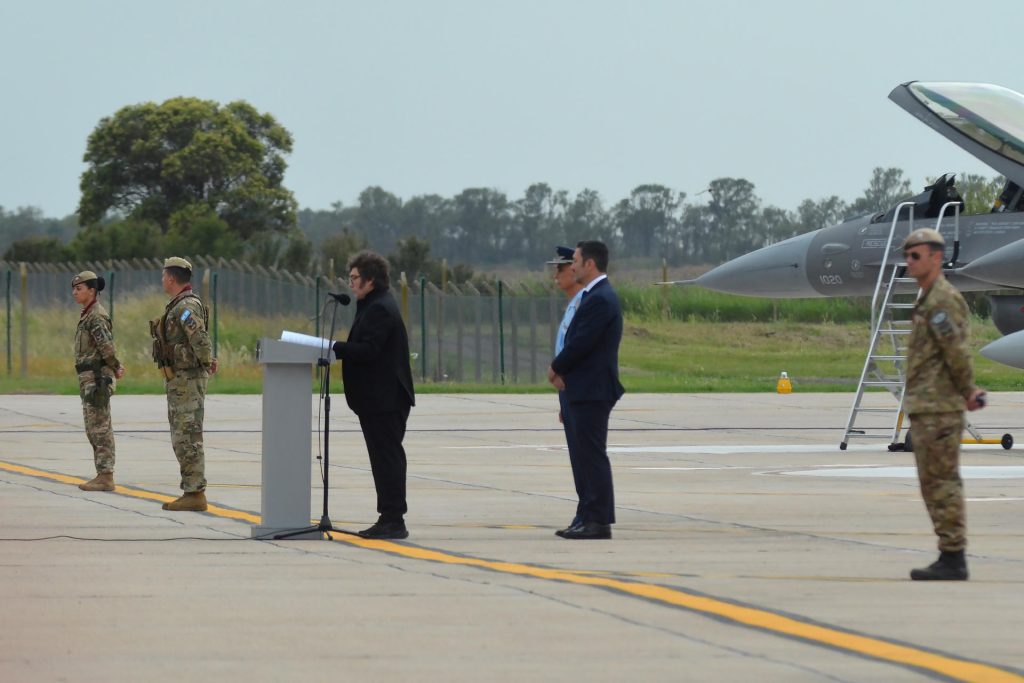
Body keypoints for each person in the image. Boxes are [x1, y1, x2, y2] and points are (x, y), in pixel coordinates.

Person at [902, 228, 985, 580]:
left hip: (940, 408)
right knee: (932, 483)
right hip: (928, 406)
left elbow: (956, 352)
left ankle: (953, 557)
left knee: (942, 483)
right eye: (906, 256)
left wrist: (968, 391)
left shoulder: (942, 300)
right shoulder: (928, 299)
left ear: (935, 257)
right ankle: (949, 554)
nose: (908, 262)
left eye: (915, 255)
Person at [332, 251, 415, 539]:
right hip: (376, 399)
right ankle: (389, 516)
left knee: (387, 459)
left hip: (385, 400)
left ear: (370, 280)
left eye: (355, 278)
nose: (350, 283)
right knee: (382, 459)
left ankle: (393, 519)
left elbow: (369, 350)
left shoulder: (380, 308)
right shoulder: (372, 305)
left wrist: (335, 348)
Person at [547, 241, 624, 540]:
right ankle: (587, 515)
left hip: (592, 389)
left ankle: (598, 521)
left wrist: (557, 367)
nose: (573, 266)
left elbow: (581, 343)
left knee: (592, 456)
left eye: (577, 261)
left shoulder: (600, 299)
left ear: (590, 264)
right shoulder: (593, 296)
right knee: (584, 457)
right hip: (583, 388)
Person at [151, 257, 217, 512]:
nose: (162, 280)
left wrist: (206, 361)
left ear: (171, 278)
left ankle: (195, 493)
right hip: (179, 380)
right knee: (181, 434)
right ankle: (191, 489)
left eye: (163, 275)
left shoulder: (186, 307)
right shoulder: (178, 304)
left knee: (188, 435)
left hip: (187, 380)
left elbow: (199, 338)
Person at [72, 271, 126, 492]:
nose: (74, 293)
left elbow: (106, 346)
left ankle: (106, 475)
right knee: (92, 427)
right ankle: (102, 473)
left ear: (92, 291)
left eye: (79, 289)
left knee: (100, 427)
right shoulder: (88, 315)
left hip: (97, 378)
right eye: (74, 289)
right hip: (88, 378)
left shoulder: (96, 316)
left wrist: (116, 366)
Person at [547, 245, 587, 535]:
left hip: (578, 387)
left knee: (585, 457)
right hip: (568, 391)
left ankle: (588, 513)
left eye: (560, 269)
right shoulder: (573, 305)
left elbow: (578, 350)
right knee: (577, 457)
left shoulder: (584, 304)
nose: (556, 276)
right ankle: (583, 512)